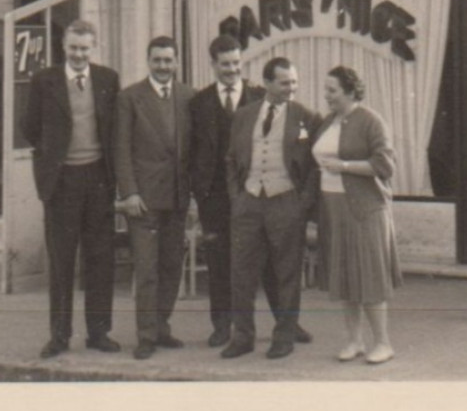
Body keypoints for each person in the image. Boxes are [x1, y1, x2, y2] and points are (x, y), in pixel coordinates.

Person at [188, 35, 311, 349]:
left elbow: (310, 155)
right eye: (225, 64)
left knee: (278, 267)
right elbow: (211, 155)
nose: (231, 70)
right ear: (214, 65)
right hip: (231, 199)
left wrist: (300, 201)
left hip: (277, 197)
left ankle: (285, 328)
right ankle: (231, 331)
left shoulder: (282, 106)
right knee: (231, 268)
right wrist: (229, 194)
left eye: (236, 63)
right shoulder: (209, 104)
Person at [21, 18, 122, 359]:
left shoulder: (108, 79)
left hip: (98, 180)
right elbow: (30, 128)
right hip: (62, 182)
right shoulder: (44, 81)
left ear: (94, 49)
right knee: (62, 262)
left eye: (85, 48)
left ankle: (99, 333)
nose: (79, 55)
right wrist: (51, 166)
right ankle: (60, 336)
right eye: (73, 48)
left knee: (100, 259)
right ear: (63, 48)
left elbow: (113, 129)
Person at [223, 56, 317, 361]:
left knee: (287, 273)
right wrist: (237, 195)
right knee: (241, 272)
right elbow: (231, 159)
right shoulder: (244, 115)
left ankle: (284, 336)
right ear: (267, 83)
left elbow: (314, 166)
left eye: (294, 81)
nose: (292, 88)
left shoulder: (305, 116)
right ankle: (243, 337)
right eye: (285, 82)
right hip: (248, 201)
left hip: (285, 201)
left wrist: (301, 203)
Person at [309, 66, 404, 365]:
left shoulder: (371, 121)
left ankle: (383, 343)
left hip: (364, 210)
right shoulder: (329, 121)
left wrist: (345, 166)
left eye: (332, 91)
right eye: (326, 90)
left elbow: (385, 166)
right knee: (346, 276)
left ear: (350, 92)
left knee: (369, 275)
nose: (327, 96)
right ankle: (354, 340)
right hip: (334, 209)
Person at [114, 36, 196, 360]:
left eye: (168, 60)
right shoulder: (130, 98)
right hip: (144, 200)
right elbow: (121, 149)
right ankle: (145, 336)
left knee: (171, 266)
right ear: (148, 61)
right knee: (147, 269)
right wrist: (130, 192)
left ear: (176, 62)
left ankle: (162, 327)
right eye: (157, 60)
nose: (163, 66)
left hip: (177, 197)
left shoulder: (189, 96)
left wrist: (193, 195)